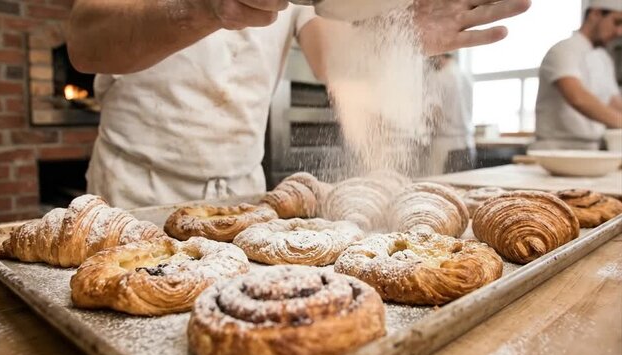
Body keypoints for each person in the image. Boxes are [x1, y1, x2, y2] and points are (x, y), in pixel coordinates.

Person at [67, 0, 531, 208]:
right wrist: (202, 7)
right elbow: (85, 44)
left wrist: (396, 29)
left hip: (241, 198)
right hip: (133, 192)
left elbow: (336, 60)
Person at [532, 0, 622, 151]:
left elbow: (613, 102)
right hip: (555, 151)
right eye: (617, 22)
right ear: (595, 14)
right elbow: (578, 98)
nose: (620, 32)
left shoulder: (604, 60)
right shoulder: (563, 50)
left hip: (593, 150)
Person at [427, 53, 475, 175]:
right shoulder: (465, 77)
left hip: (446, 145)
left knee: (441, 188)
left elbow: (434, 111)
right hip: (468, 145)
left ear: (439, 56)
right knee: (463, 188)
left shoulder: (439, 77)